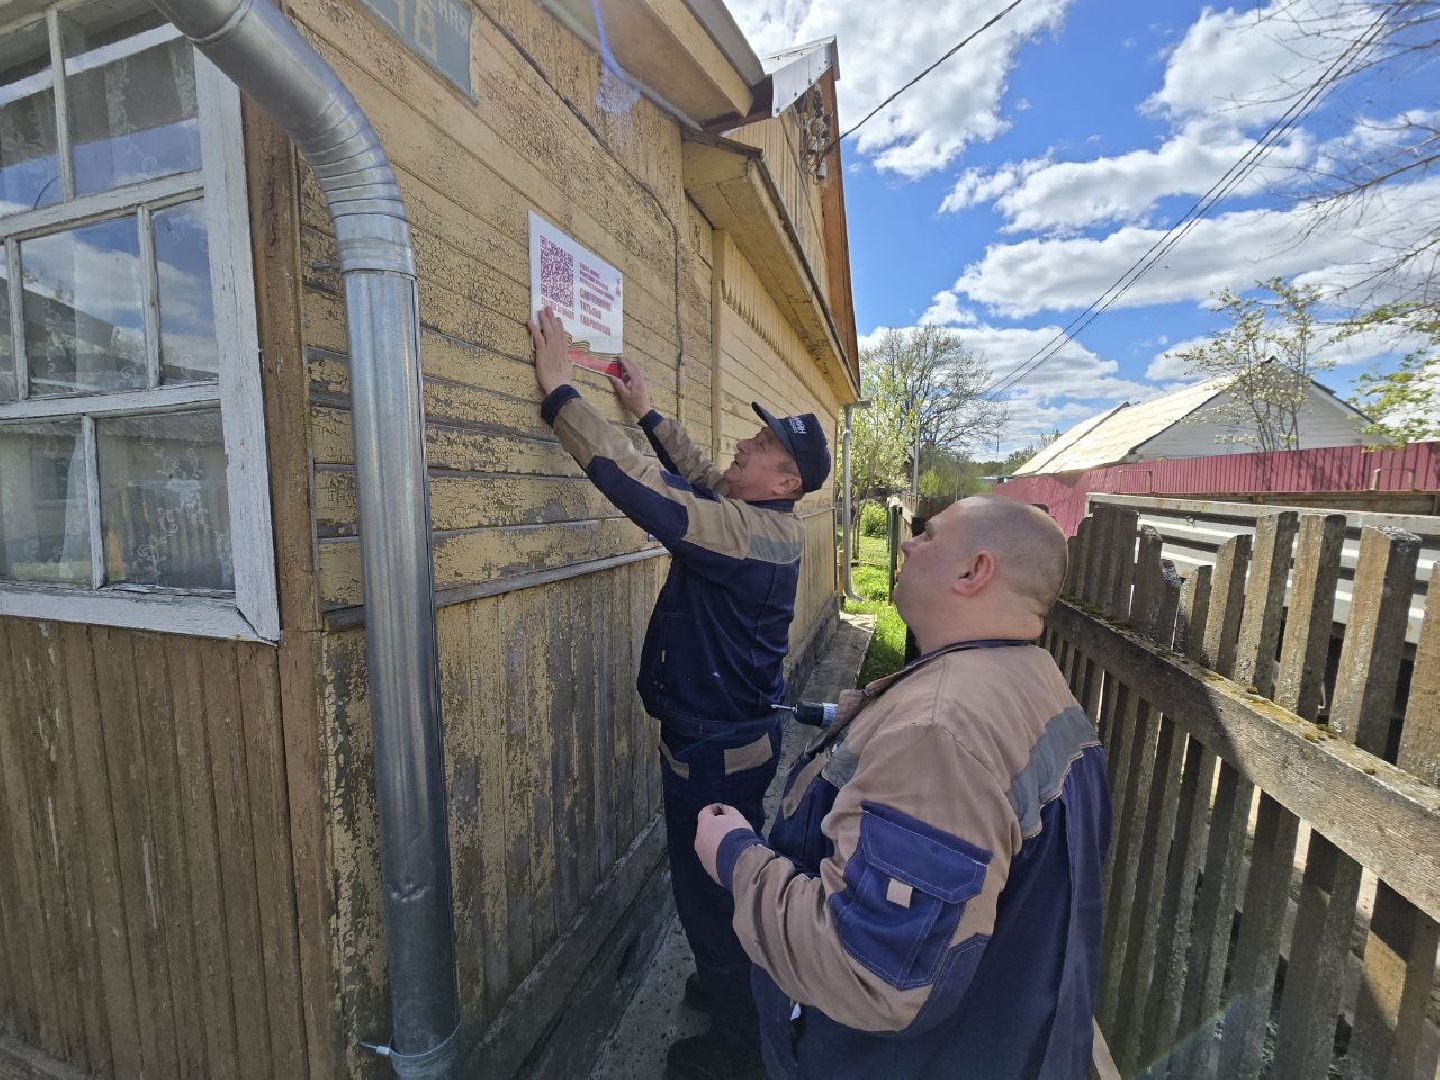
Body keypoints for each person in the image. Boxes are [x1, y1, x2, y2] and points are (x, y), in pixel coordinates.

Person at [694, 495, 1111, 1079]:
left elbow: (870, 973)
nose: (909, 543)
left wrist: (734, 854)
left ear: (974, 571)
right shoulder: (1032, 679)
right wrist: (865, 715)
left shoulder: (940, 733)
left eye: (930, 535)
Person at [529, 306, 831, 1079]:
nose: (741, 444)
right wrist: (647, 410)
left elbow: (650, 490)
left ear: (786, 481)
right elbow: (699, 475)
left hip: (713, 754)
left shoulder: (745, 535)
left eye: (759, 446)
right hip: (732, 743)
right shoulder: (761, 520)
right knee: (721, 883)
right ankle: (728, 981)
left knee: (708, 894)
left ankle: (738, 1046)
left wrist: (562, 391)